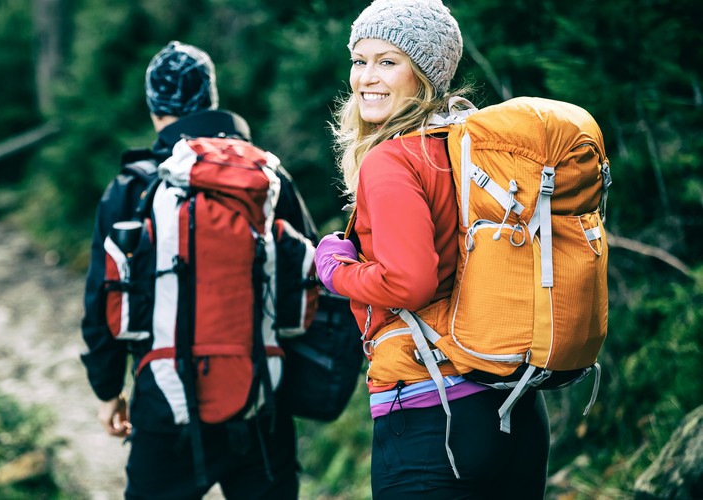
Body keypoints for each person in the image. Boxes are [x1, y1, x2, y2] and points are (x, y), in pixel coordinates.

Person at [313, 1, 551, 498]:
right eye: (360, 60)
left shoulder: (392, 160)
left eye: (388, 61)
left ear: (424, 73)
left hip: (433, 415)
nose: (366, 78)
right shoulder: (473, 149)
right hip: (516, 405)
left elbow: (411, 282)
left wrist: (336, 271)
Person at [80, 40, 317, 499]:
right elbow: (310, 278)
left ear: (154, 108)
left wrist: (107, 388)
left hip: (165, 399)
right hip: (261, 397)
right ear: (211, 100)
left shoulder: (135, 185)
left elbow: (101, 293)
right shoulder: (266, 178)